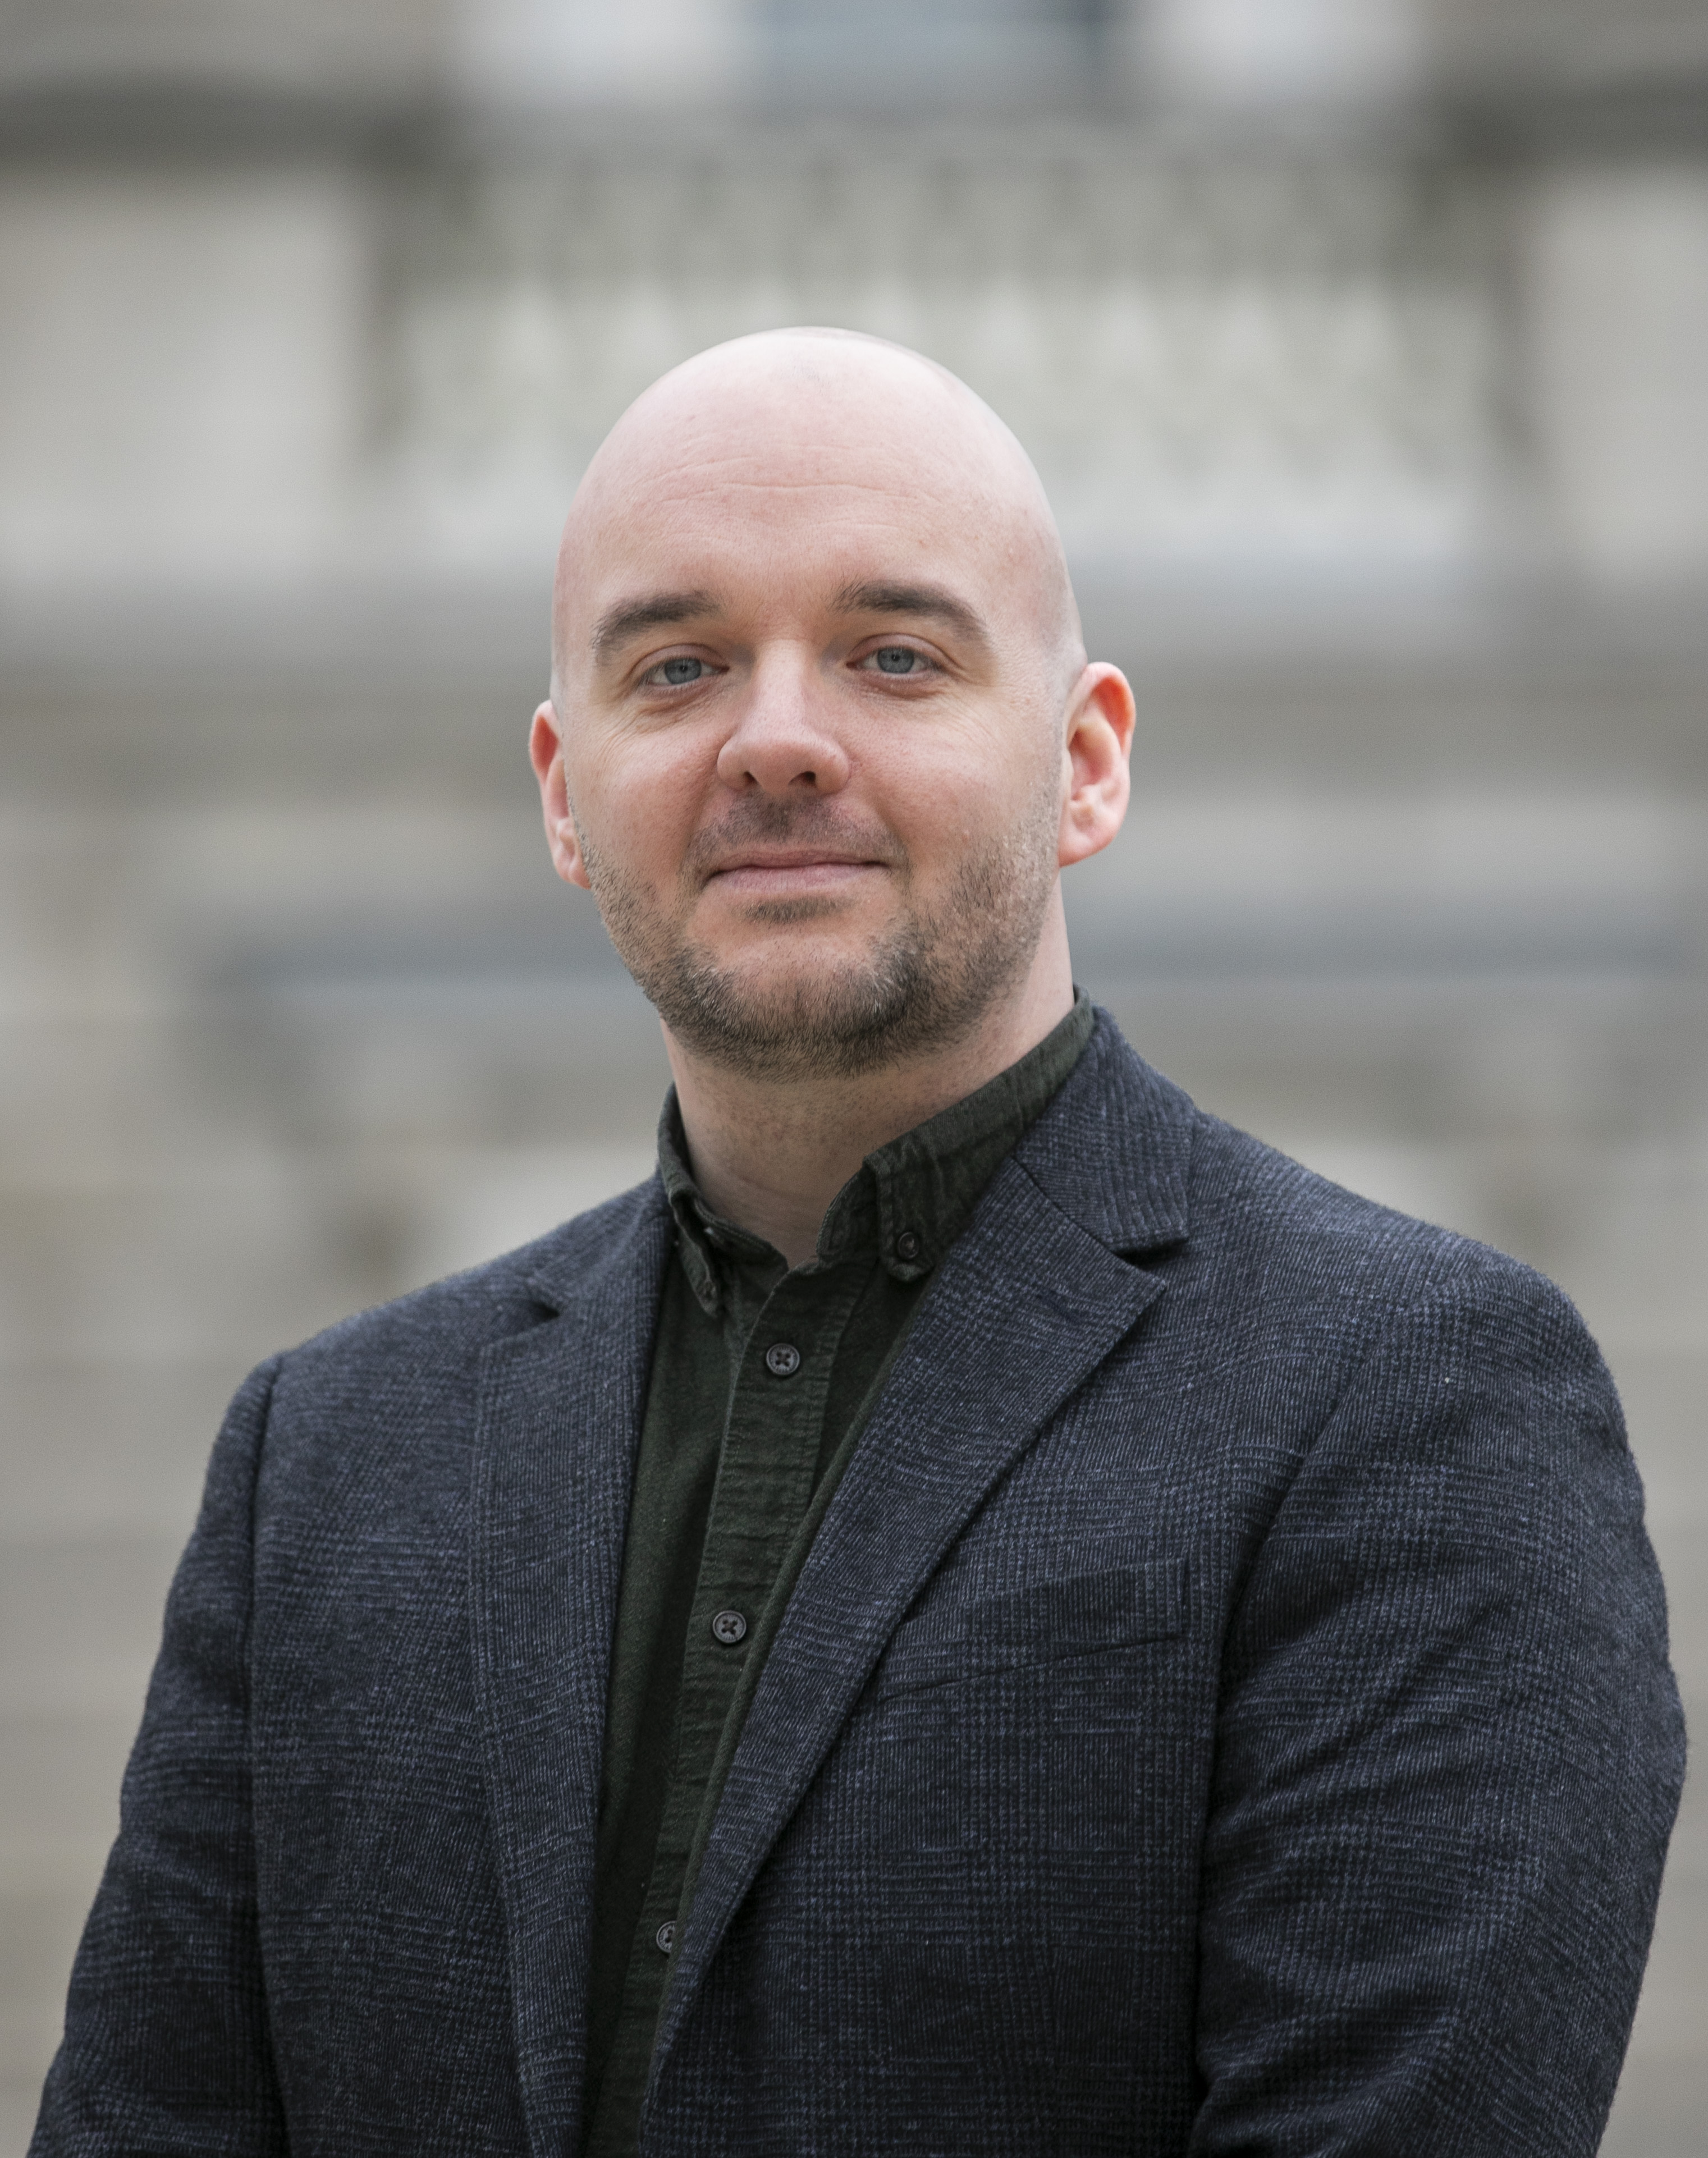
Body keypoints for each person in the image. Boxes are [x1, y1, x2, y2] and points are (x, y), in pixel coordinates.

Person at [33, 329, 1683, 2158]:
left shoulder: (1411, 1401)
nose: (776, 741)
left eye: (894, 656)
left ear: (1083, 764)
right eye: (677, 667)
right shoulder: (326, 1456)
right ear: (565, 794)